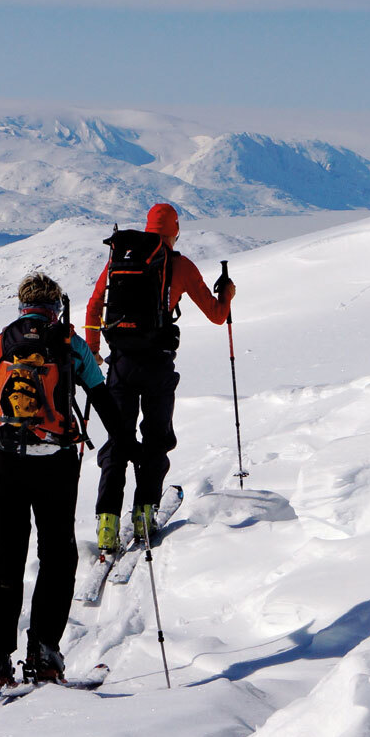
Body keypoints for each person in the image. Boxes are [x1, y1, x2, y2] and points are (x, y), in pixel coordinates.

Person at [0, 271, 129, 688]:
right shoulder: (70, 345)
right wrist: (131, 447)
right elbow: (104, 403)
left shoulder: (0, 343)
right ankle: (44, 655)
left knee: (8, 556)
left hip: (2, 462)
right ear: (56, 307)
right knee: (57, 554)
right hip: (55, 462)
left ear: (22, 306)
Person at [83, 202, 234, 551]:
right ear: (174, 232)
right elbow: (215, 314)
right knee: (155, 439)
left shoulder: (118, 261)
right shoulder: (179, 266)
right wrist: (226, 295)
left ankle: (106, 522)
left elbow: (93, 306)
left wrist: (92, 349)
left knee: (117, 441)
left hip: (119, 364)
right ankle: (144, 515)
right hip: (157, 366)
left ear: (149, 228)